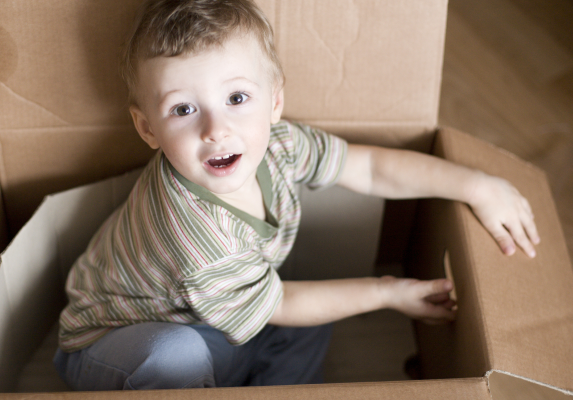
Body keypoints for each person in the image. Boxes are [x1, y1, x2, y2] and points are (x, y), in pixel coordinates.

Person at [54, 0, 540, 391]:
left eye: (237, 98)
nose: (216, 130)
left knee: (317, 312)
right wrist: (389, 291)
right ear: (147, 128)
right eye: (183, 109)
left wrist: (475, 185)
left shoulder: (280, 145)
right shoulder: (192, 232)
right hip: (115, 345)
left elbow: (369, 167)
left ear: (275, 101)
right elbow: (279, 303)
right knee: (176, 355)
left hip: (223, 318)